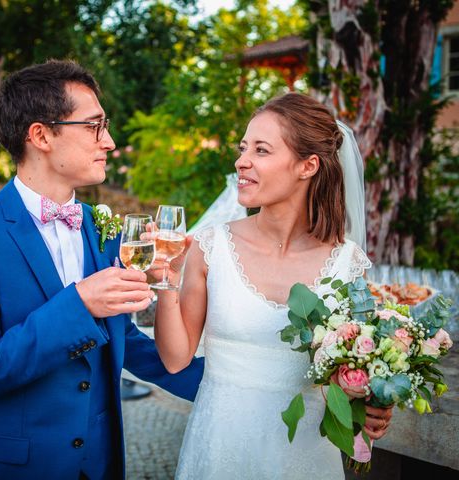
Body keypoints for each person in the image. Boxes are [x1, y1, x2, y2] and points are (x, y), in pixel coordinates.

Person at [0, 59, 203, 480]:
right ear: (40, 135)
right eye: (94, 126)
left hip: (99, 464)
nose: (109, 141)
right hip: (13, 468)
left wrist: (231, 389)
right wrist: (78, 305)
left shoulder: (102, 228)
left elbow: (124, 341)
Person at [151, 92, 392, 479]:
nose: (241, 160)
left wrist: (372, 404)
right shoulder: (211, 247)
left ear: (307, 165)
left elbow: (355, 371)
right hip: (219, 447)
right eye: (243, 147)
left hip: (308, 455)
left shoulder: (348, 264)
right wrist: (167, 279)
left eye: (261, 150)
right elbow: (176, 358)